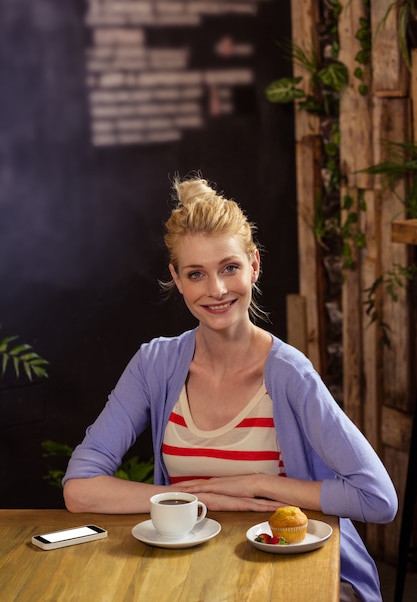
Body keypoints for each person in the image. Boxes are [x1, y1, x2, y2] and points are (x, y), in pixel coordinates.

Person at [63, 175, 397, 602]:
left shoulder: (289, 373)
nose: (216, 290)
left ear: (254, 266)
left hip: (287, 570)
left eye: (230, 268)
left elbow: (377, 498)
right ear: (177, 279)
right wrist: (183, 497)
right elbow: (80, 487)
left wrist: (258, 484)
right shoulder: (155, 365)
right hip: (188, 572)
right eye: (196, 274)